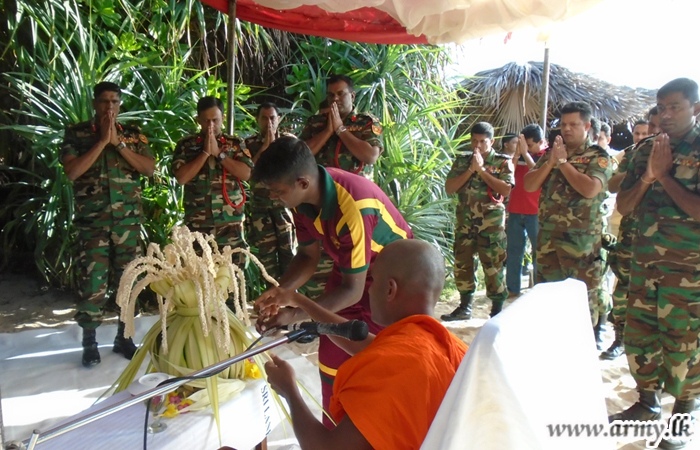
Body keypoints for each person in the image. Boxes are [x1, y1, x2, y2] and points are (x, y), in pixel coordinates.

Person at [252, 136, 413, 427]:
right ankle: (332, 430)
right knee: (332, 349)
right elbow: (307, 256)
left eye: (277, 192)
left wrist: (295, 315)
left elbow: (351, 292)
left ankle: (368, 432)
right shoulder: (303, 200)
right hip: (351, 270)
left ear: (301, 182)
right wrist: (281, 293)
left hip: (389, 281)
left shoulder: (353, 206)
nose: (275, 199)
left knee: (372, 359)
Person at [258, 240, 468, 450]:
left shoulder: (395, 363)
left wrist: (290, 391)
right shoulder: (450, 348)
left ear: (389, 290)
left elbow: (327, 448)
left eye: (372, 281)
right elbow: (365, 344)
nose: (368, 291)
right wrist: (300, 302)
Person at [610, 78, 700, 450]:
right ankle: (647, 404)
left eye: (675, 107)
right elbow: (624, 206)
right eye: (661, 107)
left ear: (696, 108)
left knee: (684, 344)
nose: (665, 115)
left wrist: (664, 175)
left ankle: (683, 413)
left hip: (687, 271)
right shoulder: (643, 150)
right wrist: (648, 175)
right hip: (643, 264)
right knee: (640, 337)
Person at [60, 81, 155, 367]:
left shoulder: (134, 135)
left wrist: (119, 144)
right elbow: (72, 171)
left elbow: (148, 168)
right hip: (93, 224)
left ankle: (123, 337)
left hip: (127, 223)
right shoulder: (77, 134)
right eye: (104, 102)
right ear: (94, 104)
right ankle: (89, 341)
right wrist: (102, 141)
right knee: (92, 284)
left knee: (128, 282)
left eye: (114, 101)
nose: (109, 107)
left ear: (120, 104)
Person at [523, 102, 613, 327]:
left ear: (587, 126)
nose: (567, 129)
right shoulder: (553, 154)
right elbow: (529, 185)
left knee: (582, 303)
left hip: (581, 244)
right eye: (564, 124)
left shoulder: (597, 156)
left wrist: (563, 164)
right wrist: (551, 162)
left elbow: (590, 189)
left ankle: (590, 340)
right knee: (549, 301)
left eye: (573, 124)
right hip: (549, 242)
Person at [441, 122, 514, 321]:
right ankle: (465, 307)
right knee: (462, 264)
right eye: (474, 140)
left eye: (482, 141)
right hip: (465, 221)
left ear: (492, 141)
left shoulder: (502, 162)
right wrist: (471, 170)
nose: (478, 145)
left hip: (490, 224)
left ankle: (497, 310)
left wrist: (482, 171)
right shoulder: (462, 161)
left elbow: (506, 190)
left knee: (493, 265)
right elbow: (450, 188)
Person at [602, 109, 659, 360]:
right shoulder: (636, 152)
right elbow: (612, 184)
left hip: (667, 241)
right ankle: (620, 339)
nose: (649, 135)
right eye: (643, 132)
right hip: (631, 233)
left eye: (651, 131)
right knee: (623, 287)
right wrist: (641, 171)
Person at [172, 97, 253, 263]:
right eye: (206, 121)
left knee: (233, 277)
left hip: (231, 224)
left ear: (222, 119)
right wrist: (205, 154)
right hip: (198, 225)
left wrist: (219, 155)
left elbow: (247, 174)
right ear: (198, 120)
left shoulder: (235, 144)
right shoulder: (186, 145)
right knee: (200, 280)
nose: (211, 126)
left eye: (215, 120)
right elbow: (181, 178)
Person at [244, 102, 295, 279]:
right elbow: (248, 172)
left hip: (285, 208)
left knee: (289, 254)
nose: (269, 122)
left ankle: (289, 300)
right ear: (257, 120)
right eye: (264, 118)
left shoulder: (289, 142)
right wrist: (265, 149)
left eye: (272, 118)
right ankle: (270, 300)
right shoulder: (249, 144)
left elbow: (296, 171)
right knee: (266, 259)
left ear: (279, 119)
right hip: (260, 210)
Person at [300, 74, 383, 180]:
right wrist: (328, 131)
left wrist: (340, 129)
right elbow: (300, 155)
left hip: (354, 190)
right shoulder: (315, 121)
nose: (335, 98)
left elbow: (371, 157)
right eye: (331, 95)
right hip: (321, 187)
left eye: (340, 94)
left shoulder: (367, 122)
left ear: (352, 96)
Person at [505, 124, 547, 297]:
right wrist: (516, 155)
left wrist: (526, 154)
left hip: (536, 212)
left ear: (541, 142)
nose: (526, 148)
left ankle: (539, 290)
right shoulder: (520, 154)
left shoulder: (546, 156)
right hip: (516, 210)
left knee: (539, 253)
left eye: (530, 145)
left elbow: (538, 172)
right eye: (524, 144)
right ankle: (512, 289)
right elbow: (509, 173)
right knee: (514, 253)